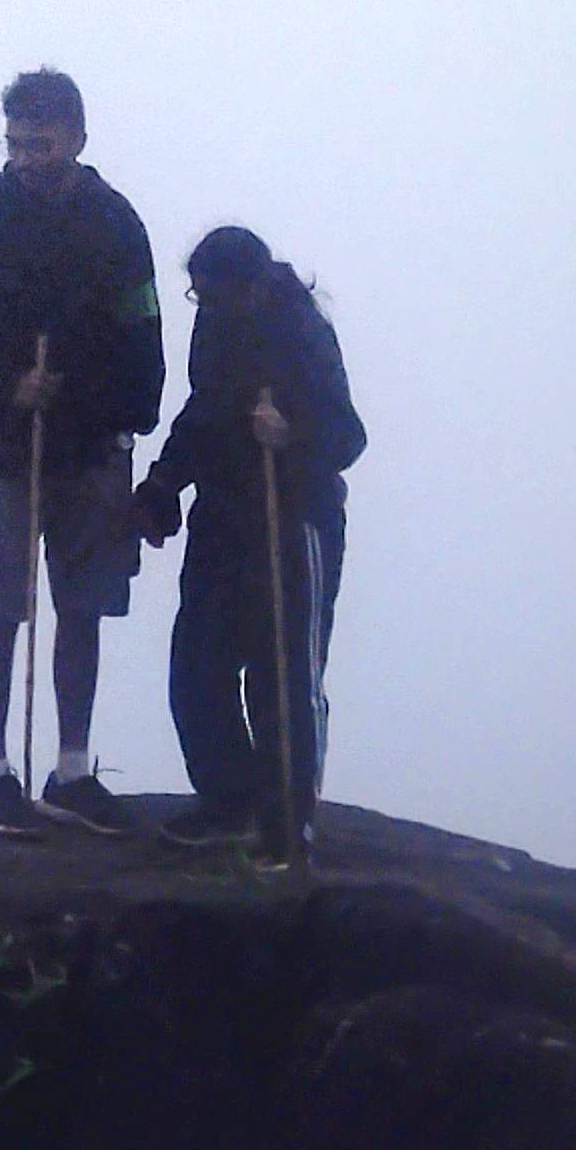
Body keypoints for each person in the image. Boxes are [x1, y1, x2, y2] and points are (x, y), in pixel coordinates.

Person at [0, 67, 165, 835]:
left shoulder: (116, 224)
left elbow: (142, 329)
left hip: (89, 450)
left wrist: (128, 417)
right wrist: (0, 388)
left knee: (81, 607)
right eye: (15, 142)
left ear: (78, 138)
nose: (24, 157)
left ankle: (71, 769)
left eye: (40, 142)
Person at [134, 223, 365, 861]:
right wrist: (163, 483)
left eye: (214, 297)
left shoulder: (304, 334)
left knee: (284, 674)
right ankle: (227, 802)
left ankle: (288, 821)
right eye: (197, 298)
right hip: (224, 517)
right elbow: (204, 410)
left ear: (252, 286)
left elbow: (347, 438)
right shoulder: (216, 325)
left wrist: (289, 435)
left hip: (296, 521)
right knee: (198, 667)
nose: (204, 309)